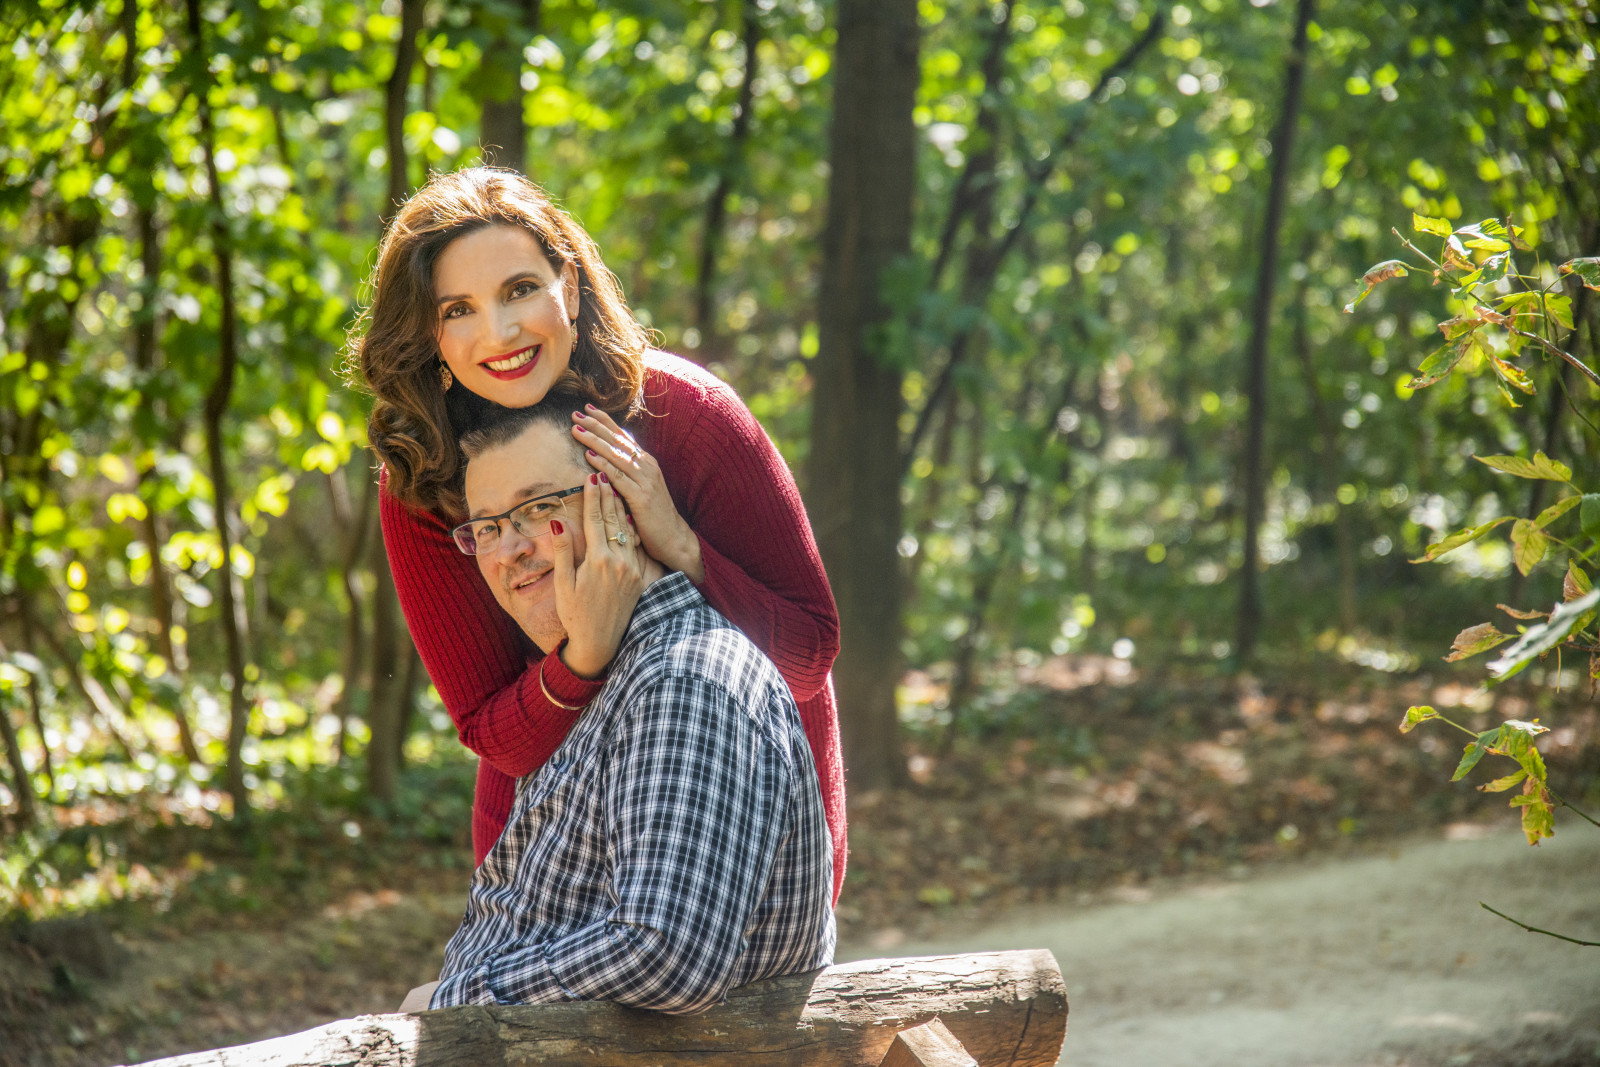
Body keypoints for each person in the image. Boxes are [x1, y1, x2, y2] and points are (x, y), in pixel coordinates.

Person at [353, 167, 846, 898]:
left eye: (521, 289)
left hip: (746, 818)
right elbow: (492, 732)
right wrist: (582, 656)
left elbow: (806, 658)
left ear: (572, 288)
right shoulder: (423, 478)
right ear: (430, 335)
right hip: (548, 839)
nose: (500, 333)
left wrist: (679, 547)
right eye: (458, 309)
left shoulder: (689, 416)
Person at [403, 405, 834, 1012]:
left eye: (537, 508)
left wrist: (452, 1002)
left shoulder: (684, 680)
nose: (508, 551)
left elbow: (666, 954)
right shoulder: (605, 673)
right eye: (487, 528)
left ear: (622, 506)